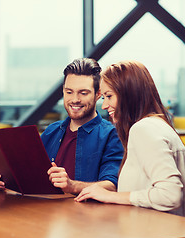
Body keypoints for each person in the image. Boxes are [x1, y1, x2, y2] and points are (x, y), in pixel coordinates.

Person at [0, 58, 124, 194]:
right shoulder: (51, 131)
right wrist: (3, 180)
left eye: (83, 93)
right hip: (44, 212)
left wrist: (72, 186)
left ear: (98, 94)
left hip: (85, 215)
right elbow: (30, 177)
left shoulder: (112, 135)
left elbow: (112, 185)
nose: (75, 99)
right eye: (69, 92)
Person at [75, 60, 185, 216]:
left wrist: (111, 196)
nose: (105, 105)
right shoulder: (158, 125)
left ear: (128, 94)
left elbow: (170, 195)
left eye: (109, 96)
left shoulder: (143, 129)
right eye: (103, 98)